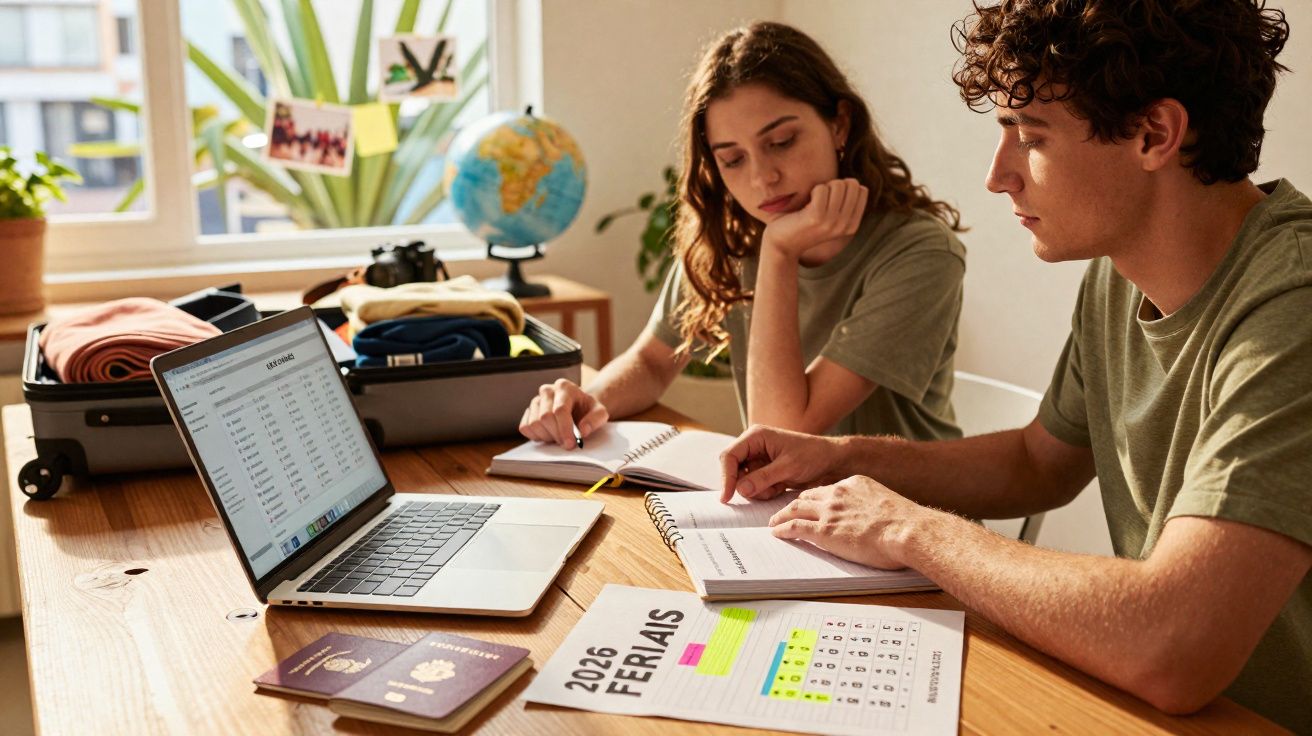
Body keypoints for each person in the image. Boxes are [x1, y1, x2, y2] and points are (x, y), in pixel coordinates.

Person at [719, 1, 1311, 730]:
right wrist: (843, 457)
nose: (998, 177)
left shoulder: (1295, 303)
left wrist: (910, 529)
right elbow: (1040, 462)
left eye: (1030, 137)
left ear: (1155, 134)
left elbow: (1174, 643)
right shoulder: (1121, 274)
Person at [519, 21, 967, 448]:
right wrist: (590, 400)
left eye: (782, 141)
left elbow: (782, 430)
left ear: (840, 124)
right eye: (733, 159)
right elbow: (653, 362)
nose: (763, 179)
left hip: (907, 517)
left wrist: (779, 251)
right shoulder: (731, 239)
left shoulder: (921, 253)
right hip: (787, 507)